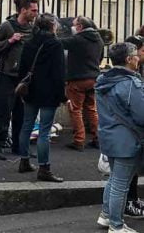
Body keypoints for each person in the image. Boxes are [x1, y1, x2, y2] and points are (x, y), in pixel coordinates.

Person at [96, 42, 144, 232]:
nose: (138, 58)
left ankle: (106, 216)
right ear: (128, 59)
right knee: (120, 184)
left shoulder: (103, 80)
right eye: (136, 55)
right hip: (128, 139)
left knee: (115, 179)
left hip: (109, 135)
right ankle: (116, 225)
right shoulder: (131, 84)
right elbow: (141, 115)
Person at [0, 0, 39, 160]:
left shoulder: (33, 29)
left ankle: (19, 146)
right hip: (7, 76)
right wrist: (10, 41)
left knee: (21, 113)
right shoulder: (7, 26)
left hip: (25, 78)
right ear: (23, 10)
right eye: (33, 10)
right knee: (3, 112)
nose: (36, 13)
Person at [16, 14, 65, 182]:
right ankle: (44, 168)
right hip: (48, 92)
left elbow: (22, 67)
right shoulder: (55, 44)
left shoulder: (30, 42)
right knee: (44, 131)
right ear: (53, 26)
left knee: (26, 125)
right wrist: (62, 96)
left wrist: (23, 87)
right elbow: (58, 73)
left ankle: (24, 160)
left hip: (31, 90)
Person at [59, 16, 104, 151]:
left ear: (80, 26)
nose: (72, 28)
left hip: (77, 79)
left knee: (75, 109)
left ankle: (79, 140)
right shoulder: (99, 39)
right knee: (91, 109)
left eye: (74, 25)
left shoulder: (77, 39)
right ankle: (98, 139)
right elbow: (100, 57)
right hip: (93, 78)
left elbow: (59, 43)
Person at [122, 35, 144, 218]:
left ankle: (133, 200)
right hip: (130, 130)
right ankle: (128, 203)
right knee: (128, 170)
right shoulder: (129, 78)